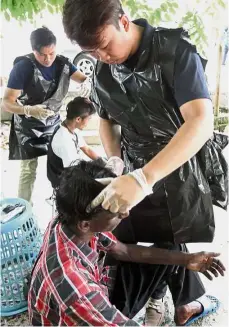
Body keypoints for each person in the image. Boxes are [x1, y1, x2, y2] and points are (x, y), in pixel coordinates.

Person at [62, 1, 228, 325]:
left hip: (178, 162)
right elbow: (107, 121)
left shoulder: (175, 51)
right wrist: (116, 163)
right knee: (125, 231)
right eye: (93, 52)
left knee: (169, 228)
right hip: (132, 160)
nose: (103, 58)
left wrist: (144, 179)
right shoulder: (102, 68)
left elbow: (200, 121)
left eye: (105, 46)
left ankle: (166, 302)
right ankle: (167, 302)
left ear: (123, 22)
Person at [28, 160, 225, 326]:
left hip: (97, 288)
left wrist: (187, 259)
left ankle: (184, 306)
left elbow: (123, 251)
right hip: (83, 307)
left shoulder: (70, 220)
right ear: (86, 224)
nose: (125, 212)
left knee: (172, 247)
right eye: (116, 211)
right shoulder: (77, 291)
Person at [1, 26, 91, 203]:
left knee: (60, 161)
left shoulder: (63, 63)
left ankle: (63, 200)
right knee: (28, 169)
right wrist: (28, 110)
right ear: (34, 50)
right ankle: (24, 206)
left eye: (52, 53)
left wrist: (88, 82)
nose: (48, 58)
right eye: (43, 55)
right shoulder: (23, 67)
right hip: (28, 124)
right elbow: (7, 102)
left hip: (53, 121)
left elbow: (83, 78)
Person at [47, 97, 101, 188]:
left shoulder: (71, 128)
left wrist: (103, 162)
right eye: (89, 118)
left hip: (72, 171)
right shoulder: (64, 139)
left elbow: (86, 149)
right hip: (63, 182)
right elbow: (73, 171)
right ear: (78, 119)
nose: (89, 121)